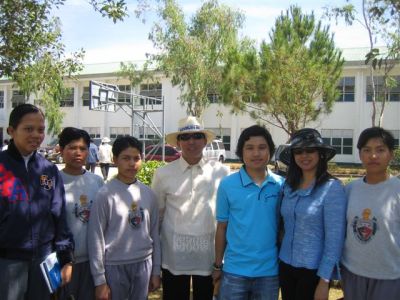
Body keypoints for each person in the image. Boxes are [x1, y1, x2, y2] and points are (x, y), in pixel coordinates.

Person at [0, 103, 74, 300]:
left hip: (44, 260)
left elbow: (59, 214)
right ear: (11, 131)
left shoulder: (48, 170)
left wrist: (66, 258)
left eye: (40, 130)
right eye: (28, 129)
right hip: (7, 261)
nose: (36, 135)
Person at [151, 116, 230, 300]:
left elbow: (226, 218)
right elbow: (158, 218)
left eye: (196, 136)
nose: (191, 142)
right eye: (185, 137)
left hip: (209, 256)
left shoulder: (221, 172)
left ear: (205, 140)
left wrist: (221, 260)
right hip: (174, 257)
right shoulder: (163, 174)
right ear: (178, 142)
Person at [213, 125, 284, 300]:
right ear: (240, 152)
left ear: (270, 151)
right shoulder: (227, 185)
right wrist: (217, 265)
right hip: (234, 270)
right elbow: (222, 227)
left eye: (262, 147)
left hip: (269, 272)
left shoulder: (281, 185)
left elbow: (283, 228)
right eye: (250, 148)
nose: (256, 153)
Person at [88, 136, 161, 300]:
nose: (132, 163)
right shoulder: (105, 195)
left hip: (143, 264)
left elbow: (155, 233)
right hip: (114, 266)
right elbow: (96, 238)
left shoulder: (148, 194)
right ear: (115, 160)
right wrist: (100, 280)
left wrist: (156, 270)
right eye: (126, 158)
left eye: (136, 158)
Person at [278, 128, 347, 300]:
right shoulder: (288, 186)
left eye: (310, 150)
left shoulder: (332, 188)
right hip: (285, 264)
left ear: (320, 154)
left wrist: (324, 281)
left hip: (313, 271)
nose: (304, 155)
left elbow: (334, 240)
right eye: (299, 151)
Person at [341, 127, 400, 300]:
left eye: (380, 150)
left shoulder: (397, 189)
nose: (373, 156)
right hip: (352, 272)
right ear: (360, 155)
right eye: (367, 150)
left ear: (391, 154)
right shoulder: (350, 189)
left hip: (389, 276)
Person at [58, 127, 104, 300]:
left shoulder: (97, 181)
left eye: (83, 148)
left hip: (93, 262)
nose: (78, 153)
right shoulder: (54, 180)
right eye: (72, 147)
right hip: (64, 263)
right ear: (61, 150)